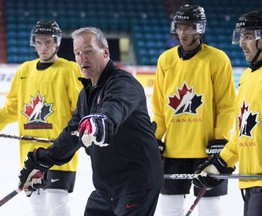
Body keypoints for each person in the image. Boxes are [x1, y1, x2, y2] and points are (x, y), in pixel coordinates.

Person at [17, 26, 164, 216]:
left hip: (136, 184)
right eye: (77, 53)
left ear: (105, 52)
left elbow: (113, 109)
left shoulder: (123, 83)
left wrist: (98, 123)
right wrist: (41, 162)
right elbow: (72, 134)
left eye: (88, 52)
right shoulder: (86, 93)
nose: (82, 59)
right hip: (105, 188)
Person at [0, 20, 82, 216]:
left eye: (48, 42)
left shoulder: (69, 70)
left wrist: (76, 137)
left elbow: (80, 109)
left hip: (59, 151)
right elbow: (14, 107)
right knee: (37, 207)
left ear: (57, 43)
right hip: (30, 154)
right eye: (39, 42)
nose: (43, 47)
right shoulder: (24, 70)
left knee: (58, 204)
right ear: (33, 43)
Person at [151, 4, 236, 216]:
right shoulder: (166, 60)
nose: (183, 33)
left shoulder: (217, 59)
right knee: (169, 208)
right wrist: (155, 138)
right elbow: (159, 108)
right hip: (173, 151)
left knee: (211, 208)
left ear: (199, 28)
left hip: (206, 150)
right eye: (179, 27)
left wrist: (220, 140)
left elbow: (226, 105)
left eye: (188, 28)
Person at [193, 10, 262, 216]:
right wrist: (220, 164)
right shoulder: (248, 77)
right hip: (250, 184)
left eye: (248, 36)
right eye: (241, 36)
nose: (242, 42)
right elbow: (242, 135)